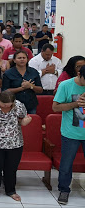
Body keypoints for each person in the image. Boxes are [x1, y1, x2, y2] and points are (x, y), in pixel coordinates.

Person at [0, 90, 32, 202]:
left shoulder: (18, 105)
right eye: (3, 105)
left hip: (14, 142)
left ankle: (11, 190)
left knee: (11, 168)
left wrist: (25, 122)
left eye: (9, 105)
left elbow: (22, 119)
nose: (6, 107)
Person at [53, 65, 85, 205]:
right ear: (79, 74)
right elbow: (55, 107)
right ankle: (64, 190)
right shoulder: (66, 85)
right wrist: (76, 104)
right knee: (66, 164)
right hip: (71, 132)